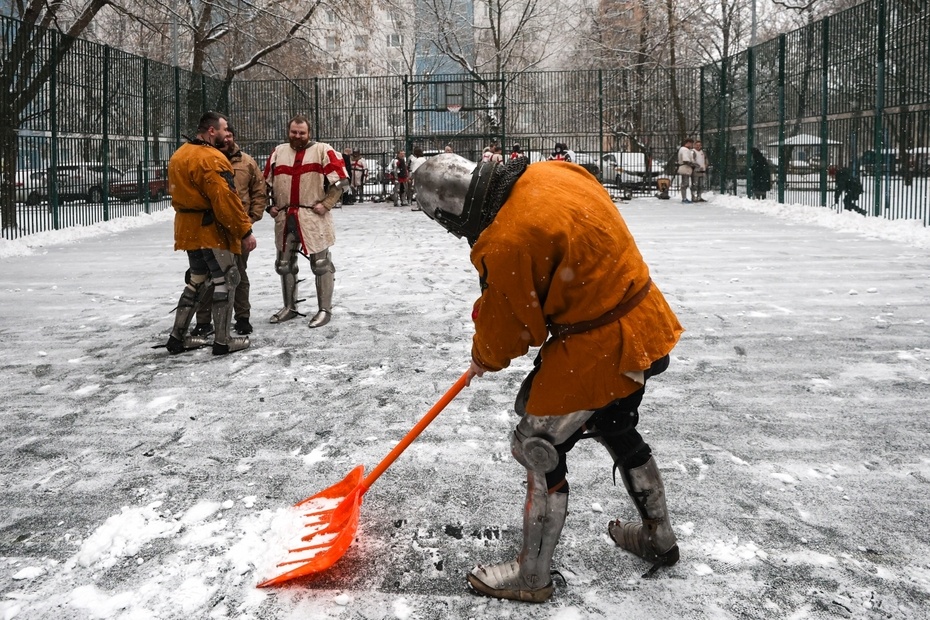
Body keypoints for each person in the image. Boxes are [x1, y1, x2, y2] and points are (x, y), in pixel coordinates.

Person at [413, 153, 684, 603]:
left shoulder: (505, 240)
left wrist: (483, 353)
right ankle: (659, 537)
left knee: (536, 445)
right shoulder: (553, 172)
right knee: (614, 421)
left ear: (450, 215)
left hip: (599, 345)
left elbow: (514, 331)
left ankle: (531, 576)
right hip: (643, 317)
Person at [163, 111, 257, 356]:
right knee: (227, 280)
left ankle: (177, 336)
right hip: (210, 229)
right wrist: (244, 230)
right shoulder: (212, 158)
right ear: (212, 130)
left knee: (196, 280)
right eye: (224, 129)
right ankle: (223, 341)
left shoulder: (179, 155)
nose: (228, 134)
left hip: (187, 228)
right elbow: (225, 199)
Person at [264, 114, 348, 329]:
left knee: (321, 264)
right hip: (285, 216)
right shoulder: (278, 152)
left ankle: (324, 309)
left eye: (302, 133)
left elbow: (340, 181)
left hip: (313, 216)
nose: (298, 136)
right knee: (284, 265)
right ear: (288, 131)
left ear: (309, 133)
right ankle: (289, 307)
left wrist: (327, 203)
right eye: (294, 132)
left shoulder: (323, 150)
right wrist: (268, 206)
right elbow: (263, 183)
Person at [191, 124, 266, 338]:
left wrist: (249, 220)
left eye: (230, 135)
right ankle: (204, 321)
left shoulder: (247, 163)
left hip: (238, 228)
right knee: (206, 275)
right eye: (225, 135)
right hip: (210, 228)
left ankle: (242, 318)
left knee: (237, 274)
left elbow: (259, 193)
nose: (227, 139)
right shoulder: (206, 159)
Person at [676, 138, 695, 203]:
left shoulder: (683, 149)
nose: (692, 145)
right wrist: (692, 164)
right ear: (688, 143)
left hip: (684, 167)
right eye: (691, 143)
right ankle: (684, 198)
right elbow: (685, 160)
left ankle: (684, 197)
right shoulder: (685, 150)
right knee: (685, 183)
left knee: (684, 183)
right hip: (685, 168)